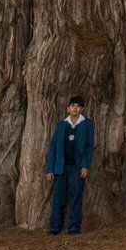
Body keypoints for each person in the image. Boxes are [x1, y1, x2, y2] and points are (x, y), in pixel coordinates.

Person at [46, 95, 95, 235]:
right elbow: (53, 147)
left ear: (82, 109)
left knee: (76, 197)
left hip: (77, 167)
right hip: (60, 168)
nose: (75, 108)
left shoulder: (86, 125)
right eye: (72, 105)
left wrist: (85, 165)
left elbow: (89, 147)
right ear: (68, 108)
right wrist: (50, 169)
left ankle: (74, 227)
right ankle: (55, 227)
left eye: (78, 106)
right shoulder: (61, 125)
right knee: (59, 198)